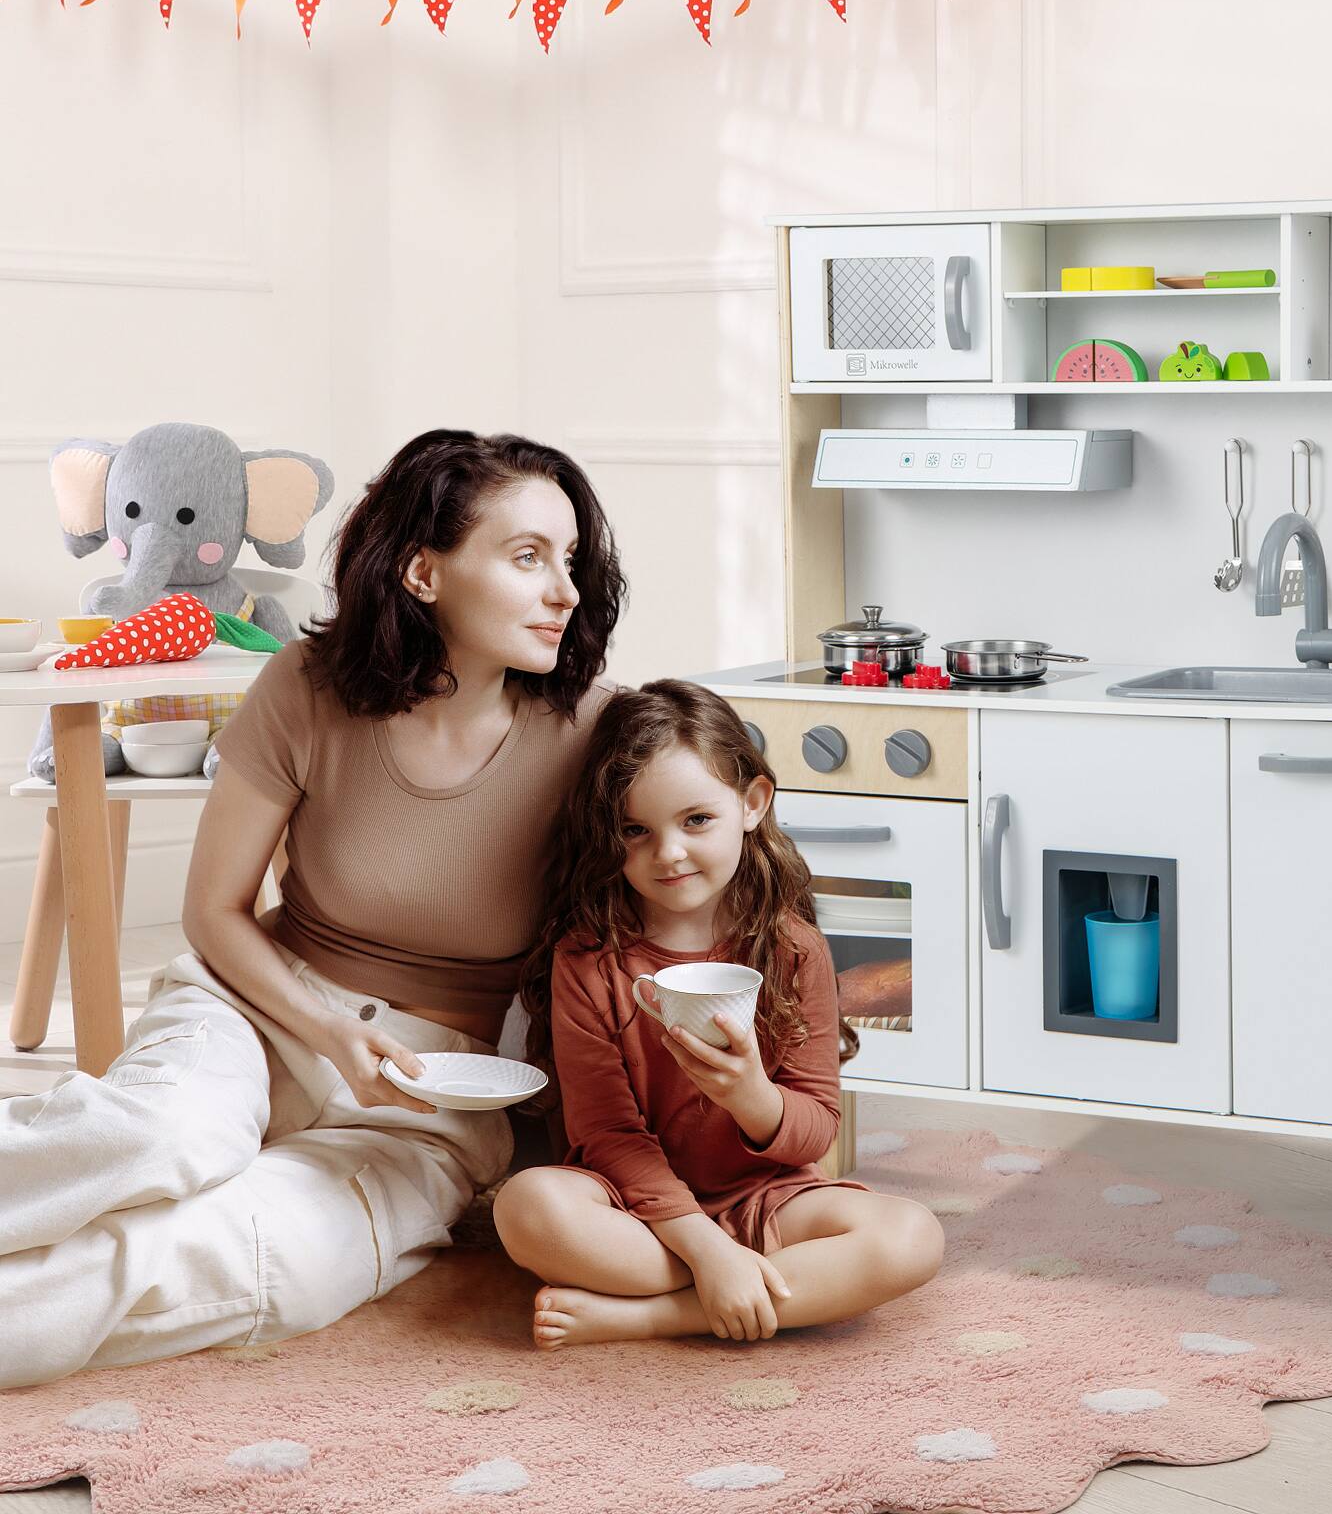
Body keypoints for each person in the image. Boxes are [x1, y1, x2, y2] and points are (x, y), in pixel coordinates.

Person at [0, 430, 624, 1388]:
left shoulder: (597, 732)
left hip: (430, 1100)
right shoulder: (305, 687)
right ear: (423, 570)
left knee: (252, 1259)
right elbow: (214, 910)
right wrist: (326, 1029)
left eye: (571, 560)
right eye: (528, 557)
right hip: (257, 1005)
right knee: (163, 1138)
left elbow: (703, 866)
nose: (566, 592)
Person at [493, 680, 943, 1349]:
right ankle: (737, 1284)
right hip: (637, 1212)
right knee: (526, 1207)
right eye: (635, 831)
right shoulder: (588, 959)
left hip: (771, 1200)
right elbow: (608, 1137)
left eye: (696, 820)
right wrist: (709, 1252)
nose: (668, 854)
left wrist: (752, 1097)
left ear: (752, 803)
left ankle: (656, 1316)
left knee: (914, 1237)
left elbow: (814, 1132)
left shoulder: (794, 950)